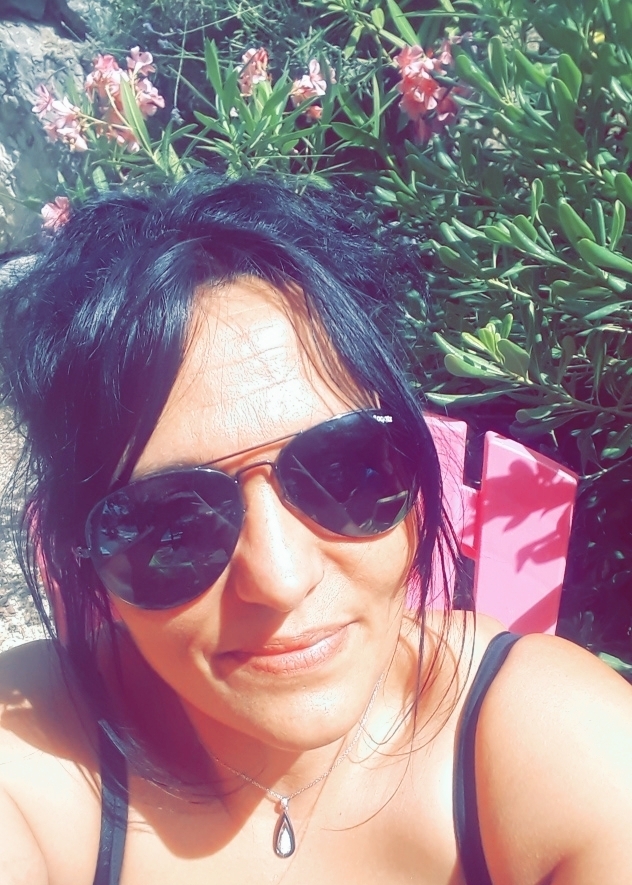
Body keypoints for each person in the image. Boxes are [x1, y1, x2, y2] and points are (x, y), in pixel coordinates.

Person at [0, 173, 631, 885]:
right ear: (84, 557)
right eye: (170, 520)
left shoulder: (554, 741)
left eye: (345, 466)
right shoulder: (33, 762)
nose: (280, 578)